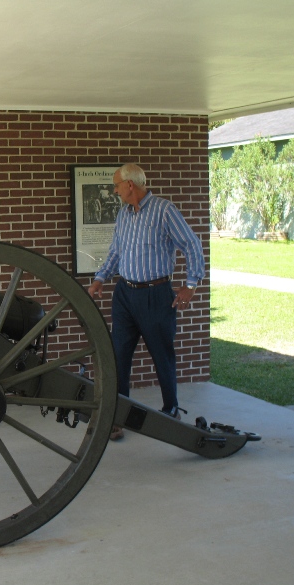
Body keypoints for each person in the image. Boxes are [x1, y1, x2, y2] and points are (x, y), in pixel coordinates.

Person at [87, 164, 205, 441]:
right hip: (125, 295)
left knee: (161, 355)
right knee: (119, 356)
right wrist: (101, 278)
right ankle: (116, 417)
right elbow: (116, 251)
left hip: (156, 295)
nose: (114, 190)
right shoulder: (123, 214)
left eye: (117, 185)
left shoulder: (164, 210)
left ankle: (170, 410)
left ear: (130, 185)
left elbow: (191, 243)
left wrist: (190, 285)